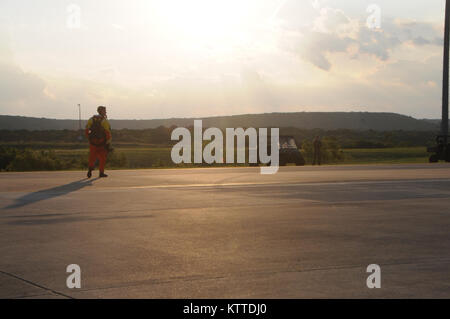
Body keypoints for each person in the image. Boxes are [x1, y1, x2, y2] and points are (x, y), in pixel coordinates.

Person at [85, 106, 112, 178]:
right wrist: (108, 142)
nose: (106, 112)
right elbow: (107, 132)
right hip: (102, 143)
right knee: (102, 158)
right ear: (102, 111)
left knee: (92, 157)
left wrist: (89, 139)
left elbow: (86, 130)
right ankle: (101, 173)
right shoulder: (104, 121)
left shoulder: (91, 119)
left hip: (93, 143)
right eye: (104, 111)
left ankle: (90, 169)